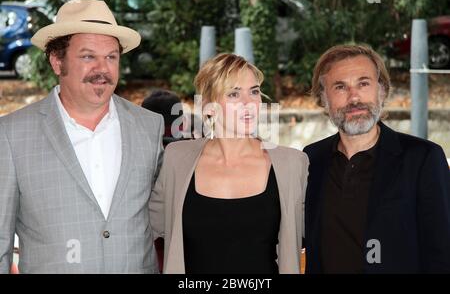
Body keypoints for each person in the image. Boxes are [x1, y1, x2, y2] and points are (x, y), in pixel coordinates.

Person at [0, 0, 164, 273]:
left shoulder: (150, 126)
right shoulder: (11, 135)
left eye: (111, 56)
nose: (102, 68)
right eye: (88, 56)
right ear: (56, 62)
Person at [149, 53, 309, 274]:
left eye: (254, 91)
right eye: (234, 94)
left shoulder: (292, 164)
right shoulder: (177, 160)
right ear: (208, 107)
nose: (249, 103)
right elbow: (144, 229)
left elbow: (320, 234)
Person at [303, 44, 450, 273]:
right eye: (340, 87)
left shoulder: (423, 159)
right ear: (323, 98)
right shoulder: (311, 159)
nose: (354, 98)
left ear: (382, 90)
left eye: (363, 83)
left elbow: (442, 254)